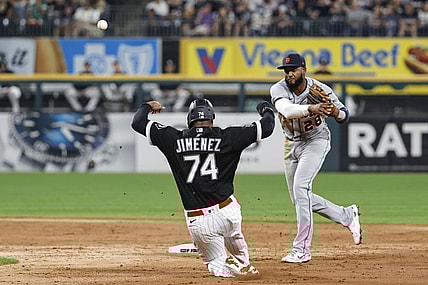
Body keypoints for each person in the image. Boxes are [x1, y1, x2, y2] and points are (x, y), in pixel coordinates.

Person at [131, 98, 275, 278]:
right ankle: (240, 263)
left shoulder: (173, 138)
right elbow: (267, 126)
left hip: (200, 220)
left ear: (189, 119)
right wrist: (265, 108)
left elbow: (137, 122)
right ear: (212, 117)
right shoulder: (229, 137)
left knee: (215, 265)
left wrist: (147, 106)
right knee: (243, 260)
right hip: (229, 212)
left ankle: (225, 265)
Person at [270, 52, 361, 264]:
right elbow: (286, 109)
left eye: (293, 69)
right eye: (286, 70)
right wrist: (312, 107)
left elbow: (344, 114)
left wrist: (333, 112)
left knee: (301, 190)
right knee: (299, 198)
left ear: (304, 69)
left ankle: (301, 250)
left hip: (315, 140)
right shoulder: (278, 88)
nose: (289, 74)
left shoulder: (320, 89)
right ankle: (346, 215)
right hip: (290, 143)